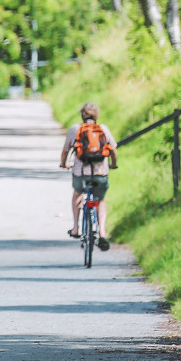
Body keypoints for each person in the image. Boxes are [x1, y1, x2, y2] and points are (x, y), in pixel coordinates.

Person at [59, 102, 117, 251]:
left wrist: (63, 163)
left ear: (82, 115)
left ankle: (76, 228)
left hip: (80, 173)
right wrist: (113, 164)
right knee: (101, 200)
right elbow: (113, 149)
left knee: (77, 195)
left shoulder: (75, 129)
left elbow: (66, 150)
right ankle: (102, 233)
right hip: (100, 173)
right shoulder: (103, 129)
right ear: (96, 115)